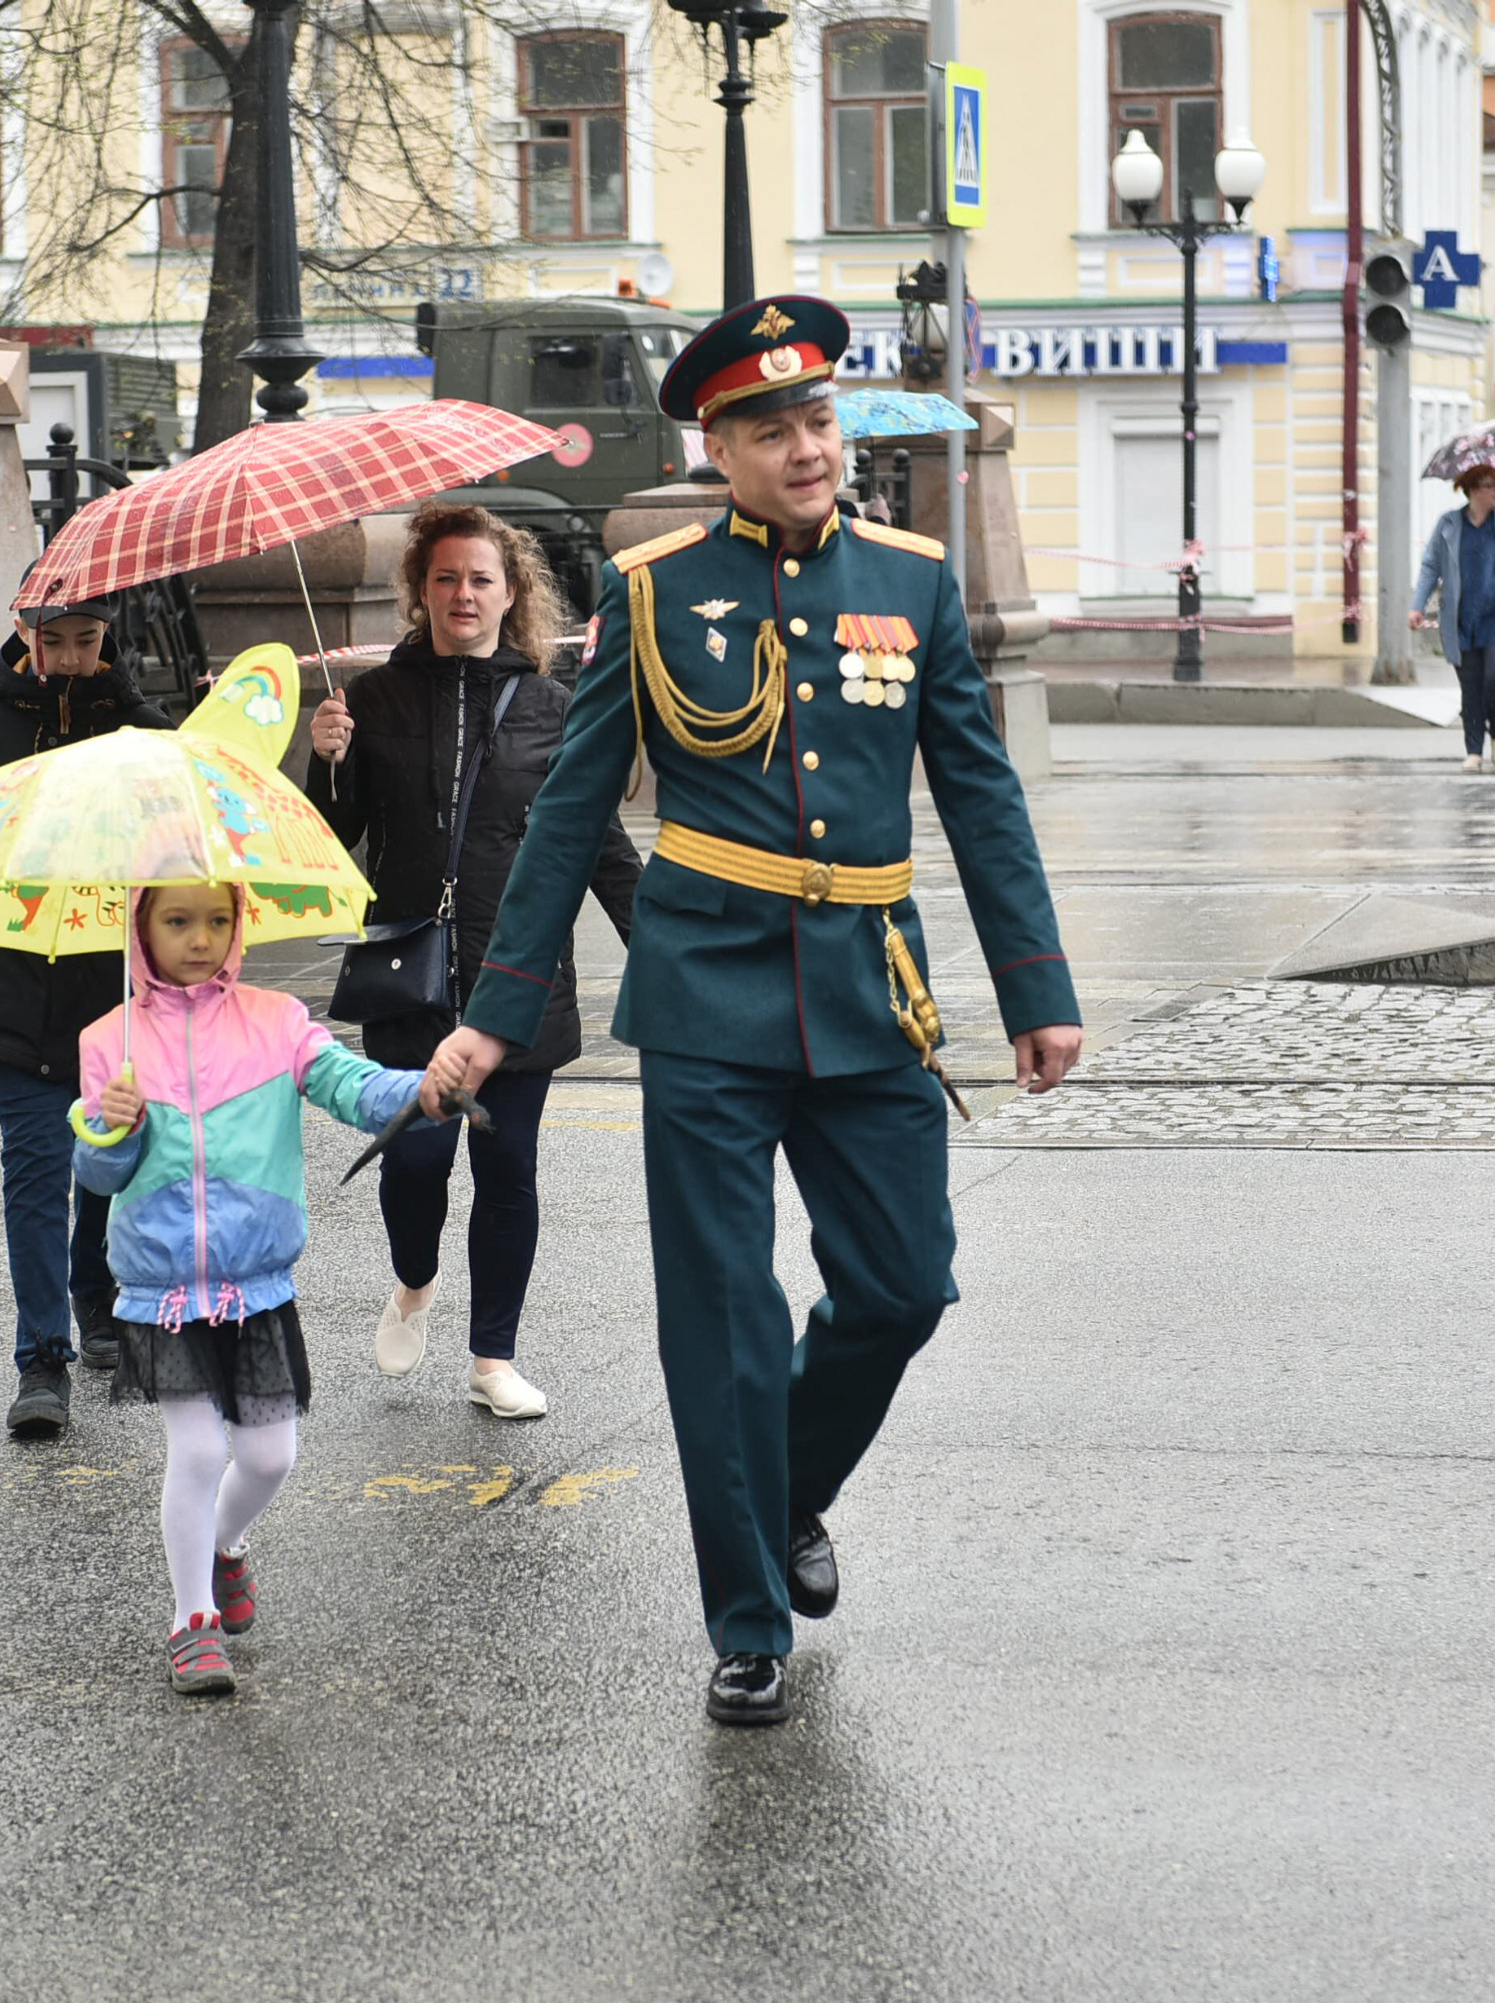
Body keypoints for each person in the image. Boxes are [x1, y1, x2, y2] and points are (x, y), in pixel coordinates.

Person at [418, 296, 1084, 1728]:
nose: (805, 446)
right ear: (715, 444)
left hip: (869, 989)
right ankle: (746, 1618)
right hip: (709, 995)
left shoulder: (914, 584)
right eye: (771, 428)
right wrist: (496, 1010)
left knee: (905, 1287)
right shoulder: (652, 594)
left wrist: (1036, 984)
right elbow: (564, 821)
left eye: (819, 419)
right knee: (721, 1318)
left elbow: (981, 794)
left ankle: (789, 1490)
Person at [304, 504, 641, 1421]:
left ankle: (494, 1354)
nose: (463, 593)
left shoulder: (552, 706)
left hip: (519, 976)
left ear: (511, 592)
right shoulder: (371, 701)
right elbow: (332, 847)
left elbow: (598, 842)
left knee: (509, 1173)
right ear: (421, 590)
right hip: (410, 980)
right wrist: (324, 763)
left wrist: (661, 941)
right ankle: (414, 1278)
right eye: (446, 577)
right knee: (415, 1165)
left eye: (481, 578)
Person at [74, 883, 429, 1695]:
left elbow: (350, 1082)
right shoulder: (111, 1039)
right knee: (198, 1449)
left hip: (255, 1280)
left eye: (218, 920)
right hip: (162, 1287)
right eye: (176, 920)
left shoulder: (276, 1022)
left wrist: (420, 1090)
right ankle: (190, 1618)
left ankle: (224, 1546)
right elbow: (95, 1171)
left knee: (271, 1456)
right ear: (140, 927)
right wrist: (114, 1126)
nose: (200, 937)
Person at [0, 594, 172, 1438]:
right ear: (23, 633)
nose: (76, 658)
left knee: (107, 1163)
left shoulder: (143, 732)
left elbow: (185, 859)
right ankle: (41, 1359)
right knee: (37, 1171)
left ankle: (96, 1292)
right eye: (57, 642)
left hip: (115, 1001)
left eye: (90, 641)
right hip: (13, 989)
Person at [1407, 462, 1495, 769]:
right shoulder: (1449, 524)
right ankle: (1474, 750)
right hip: (1463, 619)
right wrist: (1417, 606)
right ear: (1473, 491)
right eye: (1490, 486)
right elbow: (1430, 567)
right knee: (1471, 687)